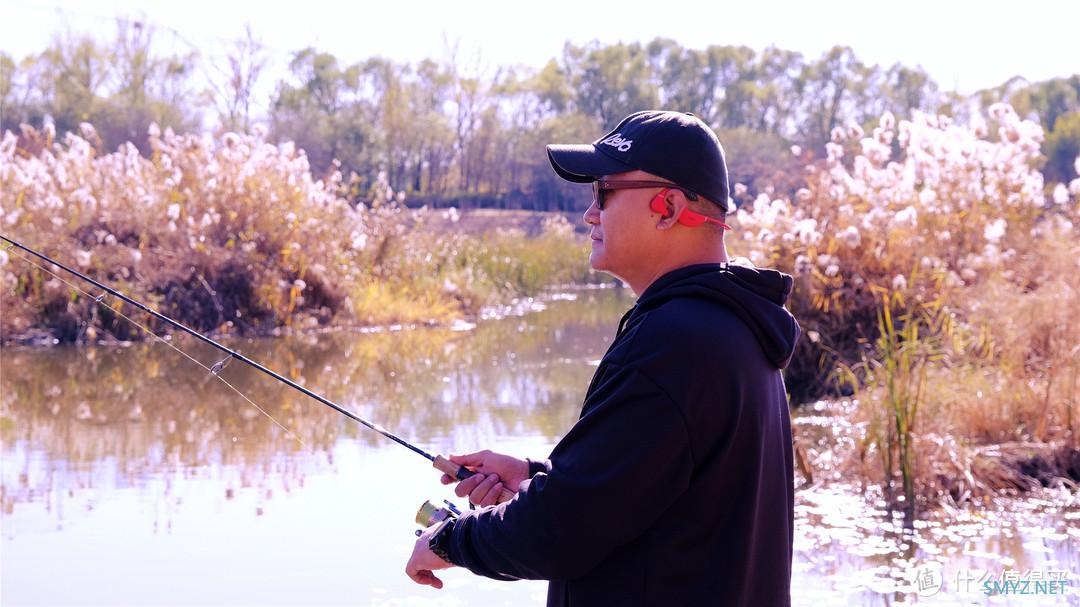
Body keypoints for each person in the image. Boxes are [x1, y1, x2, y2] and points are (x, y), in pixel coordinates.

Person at [405, 110, 800, 607]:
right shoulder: (731, 326)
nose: (590, 213)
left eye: (605, 193)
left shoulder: (674, 342)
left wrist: (448, 541)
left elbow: (558, 531)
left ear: (668, 207)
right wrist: (536, 478)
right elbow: (651, 484)